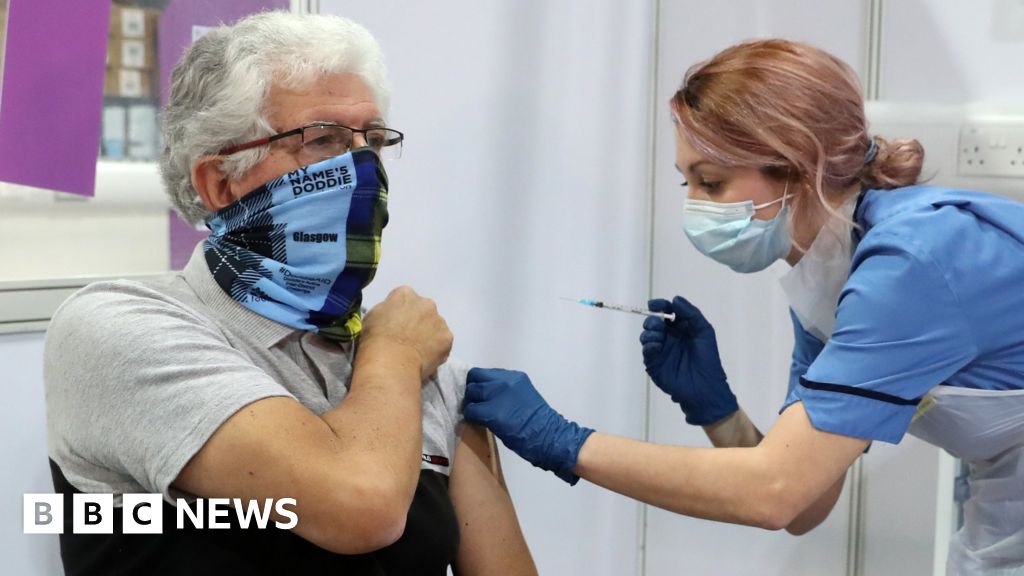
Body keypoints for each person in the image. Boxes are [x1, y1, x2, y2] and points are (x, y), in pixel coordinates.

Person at [463, 39, 1024, 575]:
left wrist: (560, 439)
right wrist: (717, 410)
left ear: (798, 164)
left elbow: (776, 493)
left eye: (711, 182)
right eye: (686, 183)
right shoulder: (830, 278)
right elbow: (807, 503)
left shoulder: (913, 264)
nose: (693, 208)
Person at [44, 11, 535, 576]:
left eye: (373, 140)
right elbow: (360, 507)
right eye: (323, 140)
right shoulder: (119, 328)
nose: (364, 169)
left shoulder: (421, 366)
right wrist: (395, 355)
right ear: (220, 182)